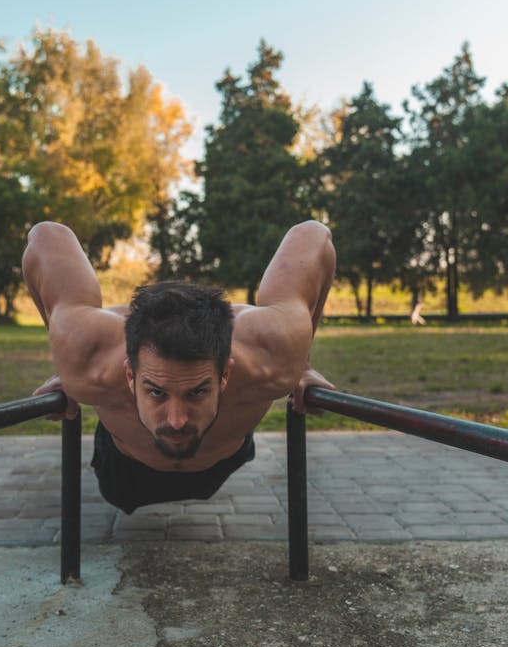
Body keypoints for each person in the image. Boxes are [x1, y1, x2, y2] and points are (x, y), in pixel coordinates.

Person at [23, 220, 335, 514]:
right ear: (129, 374)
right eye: (156, 392)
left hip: (222, 460)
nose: (176, 420)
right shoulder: (92, 359)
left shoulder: (270, 357)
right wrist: (66, 368)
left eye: (197, 392)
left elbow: (316, 236)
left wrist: (302, 365)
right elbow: (45, 236)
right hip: (126, 470)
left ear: (225, 373)